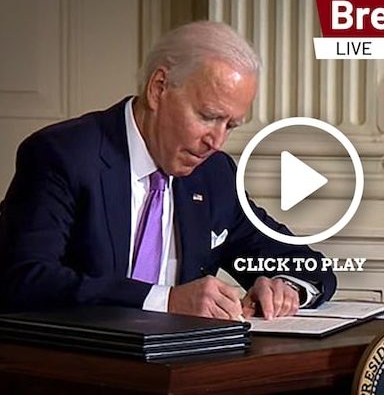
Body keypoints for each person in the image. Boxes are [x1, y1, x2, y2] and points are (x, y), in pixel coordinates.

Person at [0, 21, 336, 320]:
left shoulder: (214, 174)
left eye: (230, 125)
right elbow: (23, 279)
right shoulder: (63, 154)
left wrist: (286, 287)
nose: (216, 141)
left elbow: (310, 265)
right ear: (158, 88)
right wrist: (165, 301)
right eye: (208, 116)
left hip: (184, 366)